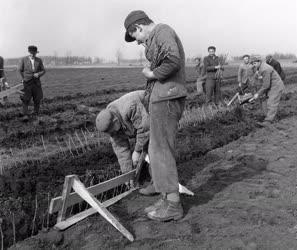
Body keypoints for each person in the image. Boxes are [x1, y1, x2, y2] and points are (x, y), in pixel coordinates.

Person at [124, 10, 187, 221]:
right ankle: (166, 198)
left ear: (138, 28)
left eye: (135, 37)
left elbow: (172, 60)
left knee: (161, 151)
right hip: (162, 98)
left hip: (167, 98)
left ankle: (174, 205)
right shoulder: (158, 35)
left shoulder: (162, 31)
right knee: (156, 149)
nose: (138, 42)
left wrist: (152, 73)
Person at [96, 90, 149, 174]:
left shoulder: (129, 107)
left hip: (155, 110)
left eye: (112, 130)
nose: (112, 134)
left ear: (115, 121)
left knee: (154, 149)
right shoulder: (112, 128)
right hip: (144, 125)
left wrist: (137, 151)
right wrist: (127, 174)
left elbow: (145, 128)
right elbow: (122, 152)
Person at [249, 56, 285, 126]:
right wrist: (256, 92)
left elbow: (266, 85)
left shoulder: (265, 69)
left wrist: (258, 94)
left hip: (276, 87)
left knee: (271, 102)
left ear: (259, 62)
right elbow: (258, 81)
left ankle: (268, 121)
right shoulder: (259, 68)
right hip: (270, 86)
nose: (254, 65)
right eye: (252, 63)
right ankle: (270, 117)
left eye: (255, 63)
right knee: (263, 100)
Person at [18, 46, 46, 122]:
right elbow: (20, 70)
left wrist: (38, 74)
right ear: (29, 52)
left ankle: (36, 113)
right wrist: (24, 78)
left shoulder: (39, 60)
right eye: (31, 53)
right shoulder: (24, 60)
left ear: (36, 53)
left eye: (34, 53)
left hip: (36, 83)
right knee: (25, 99)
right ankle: (25, 115)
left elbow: (43, 70)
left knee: (37, 99)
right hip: (27, 83)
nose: (33, 54)